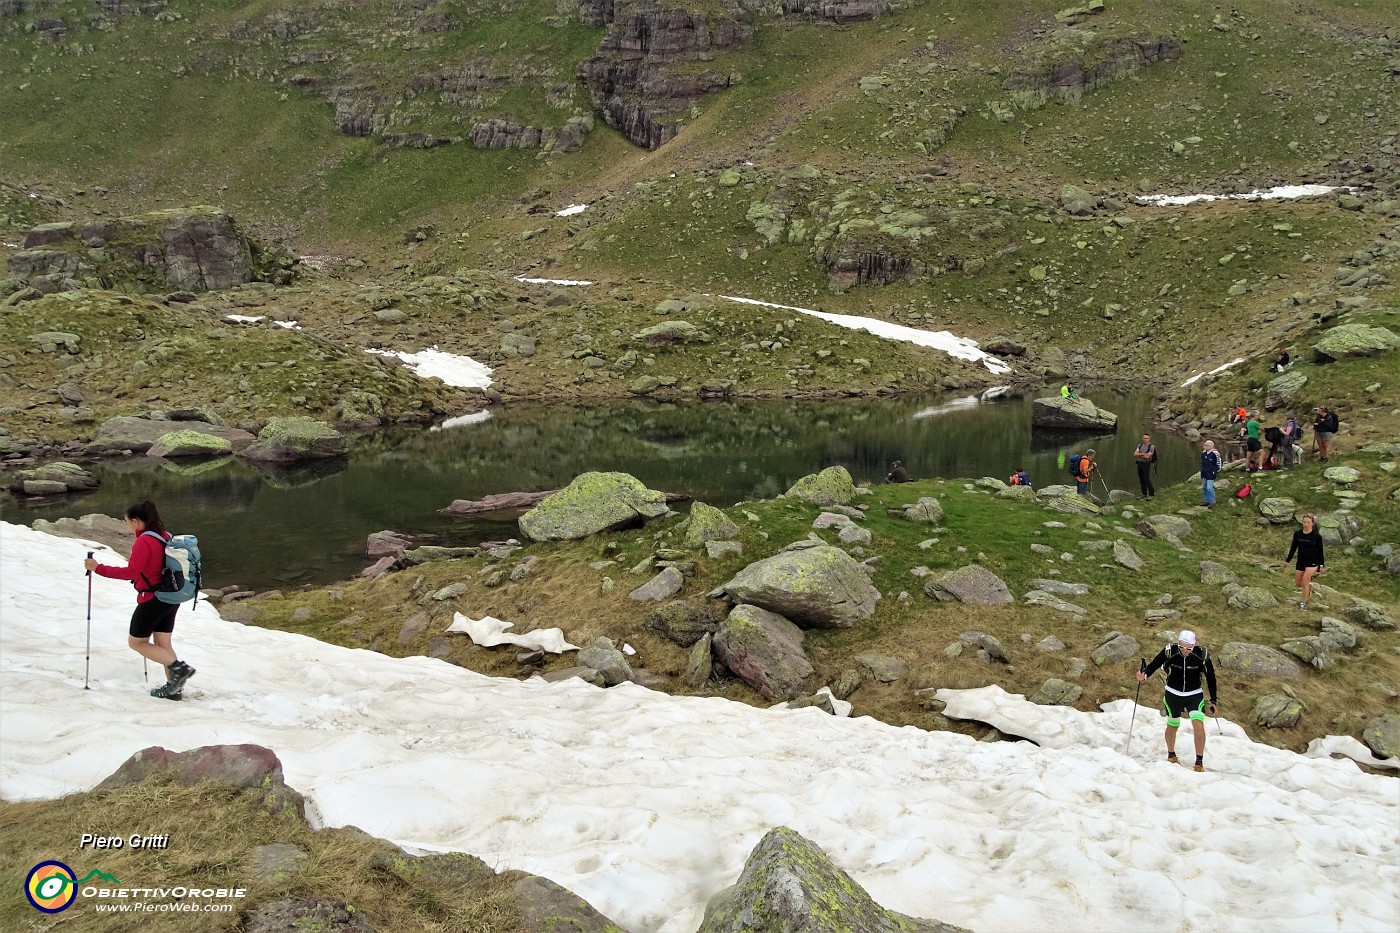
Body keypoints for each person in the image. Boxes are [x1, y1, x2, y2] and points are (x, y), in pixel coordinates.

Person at [84, 501, 197, 700]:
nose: (127, 525)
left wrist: (98, 568)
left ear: (136, 521)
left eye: (127, 521)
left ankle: (179, 669)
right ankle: (173, 689)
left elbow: (131, 572)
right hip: (170, 596)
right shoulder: (164, 535)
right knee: (162, 643)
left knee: (136, 642)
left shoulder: (145, 541)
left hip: (153, 598)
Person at [1137, 630, 1219, 772]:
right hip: (1173, 694)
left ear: (1194, 645)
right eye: (1182, 647)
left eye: (1188, 648)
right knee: (1173, 725)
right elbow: (1155, 664)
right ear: (1178, 643)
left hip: (1194, 695)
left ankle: (1199, 762)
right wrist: (1144, 675)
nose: (1185, 651)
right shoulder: (1170, 651)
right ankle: (1171, 755)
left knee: (1198, 727)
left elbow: (1211, 678)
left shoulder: (1202, 655)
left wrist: (1213, 701)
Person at [1286, 513, 1326, 611]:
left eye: (1308, 522)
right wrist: (1287, 561)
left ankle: (1303, 603)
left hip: (1312, 562)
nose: (1306, 524)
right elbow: (1293, 548)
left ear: (1312, 523)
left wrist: (1322, 565)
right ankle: (1309, 588)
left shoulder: (1317, 536)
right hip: (1301, 561)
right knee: (1299, 583)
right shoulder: (1297, 534)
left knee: (1305, 581)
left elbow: (1320, 551)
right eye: (1304, 522)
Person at [1133, 433, 1156, 498]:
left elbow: (1148, 456)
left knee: (1146, 479)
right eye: (1144, 438)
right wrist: (1143, 454)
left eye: (1146, 438)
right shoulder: (1140, 445)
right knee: (1141, 479)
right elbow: (1134, 454)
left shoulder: (1151, 447)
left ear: (1149, 439)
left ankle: (1152, 493)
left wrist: (1140, 454)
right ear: (1142, 439)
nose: (1145, 439)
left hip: (1146, 464)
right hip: (1139, 463)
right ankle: (1144, 493)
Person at [1200, 440, 1221, 508]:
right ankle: (1206, 500)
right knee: (1204, 487)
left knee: (1209, 488)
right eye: (1204, 445)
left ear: (1211, 446)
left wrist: (1216, 470)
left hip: (1211, 473)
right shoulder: (1203, 453)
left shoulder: (1215, 453)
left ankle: (1212, 502)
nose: (1204, 446)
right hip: (1204, 472)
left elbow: (1219, 462)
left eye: (1206, 445)